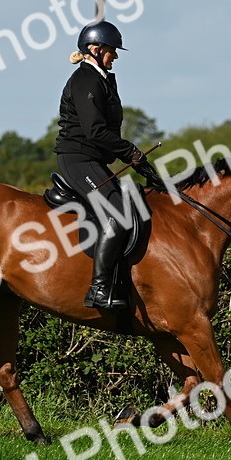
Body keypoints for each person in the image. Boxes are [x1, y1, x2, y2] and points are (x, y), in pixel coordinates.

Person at [54, 20, 146, 310]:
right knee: (117, 212)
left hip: (92, 159)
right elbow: (95, 131)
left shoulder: (101, 79)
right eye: (111, 50)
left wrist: (134, 159)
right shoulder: (86, 80)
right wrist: (130, 151)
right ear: (94, 49)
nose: (115, 55)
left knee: (134, 201)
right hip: (78, 159)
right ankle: (98, 289)